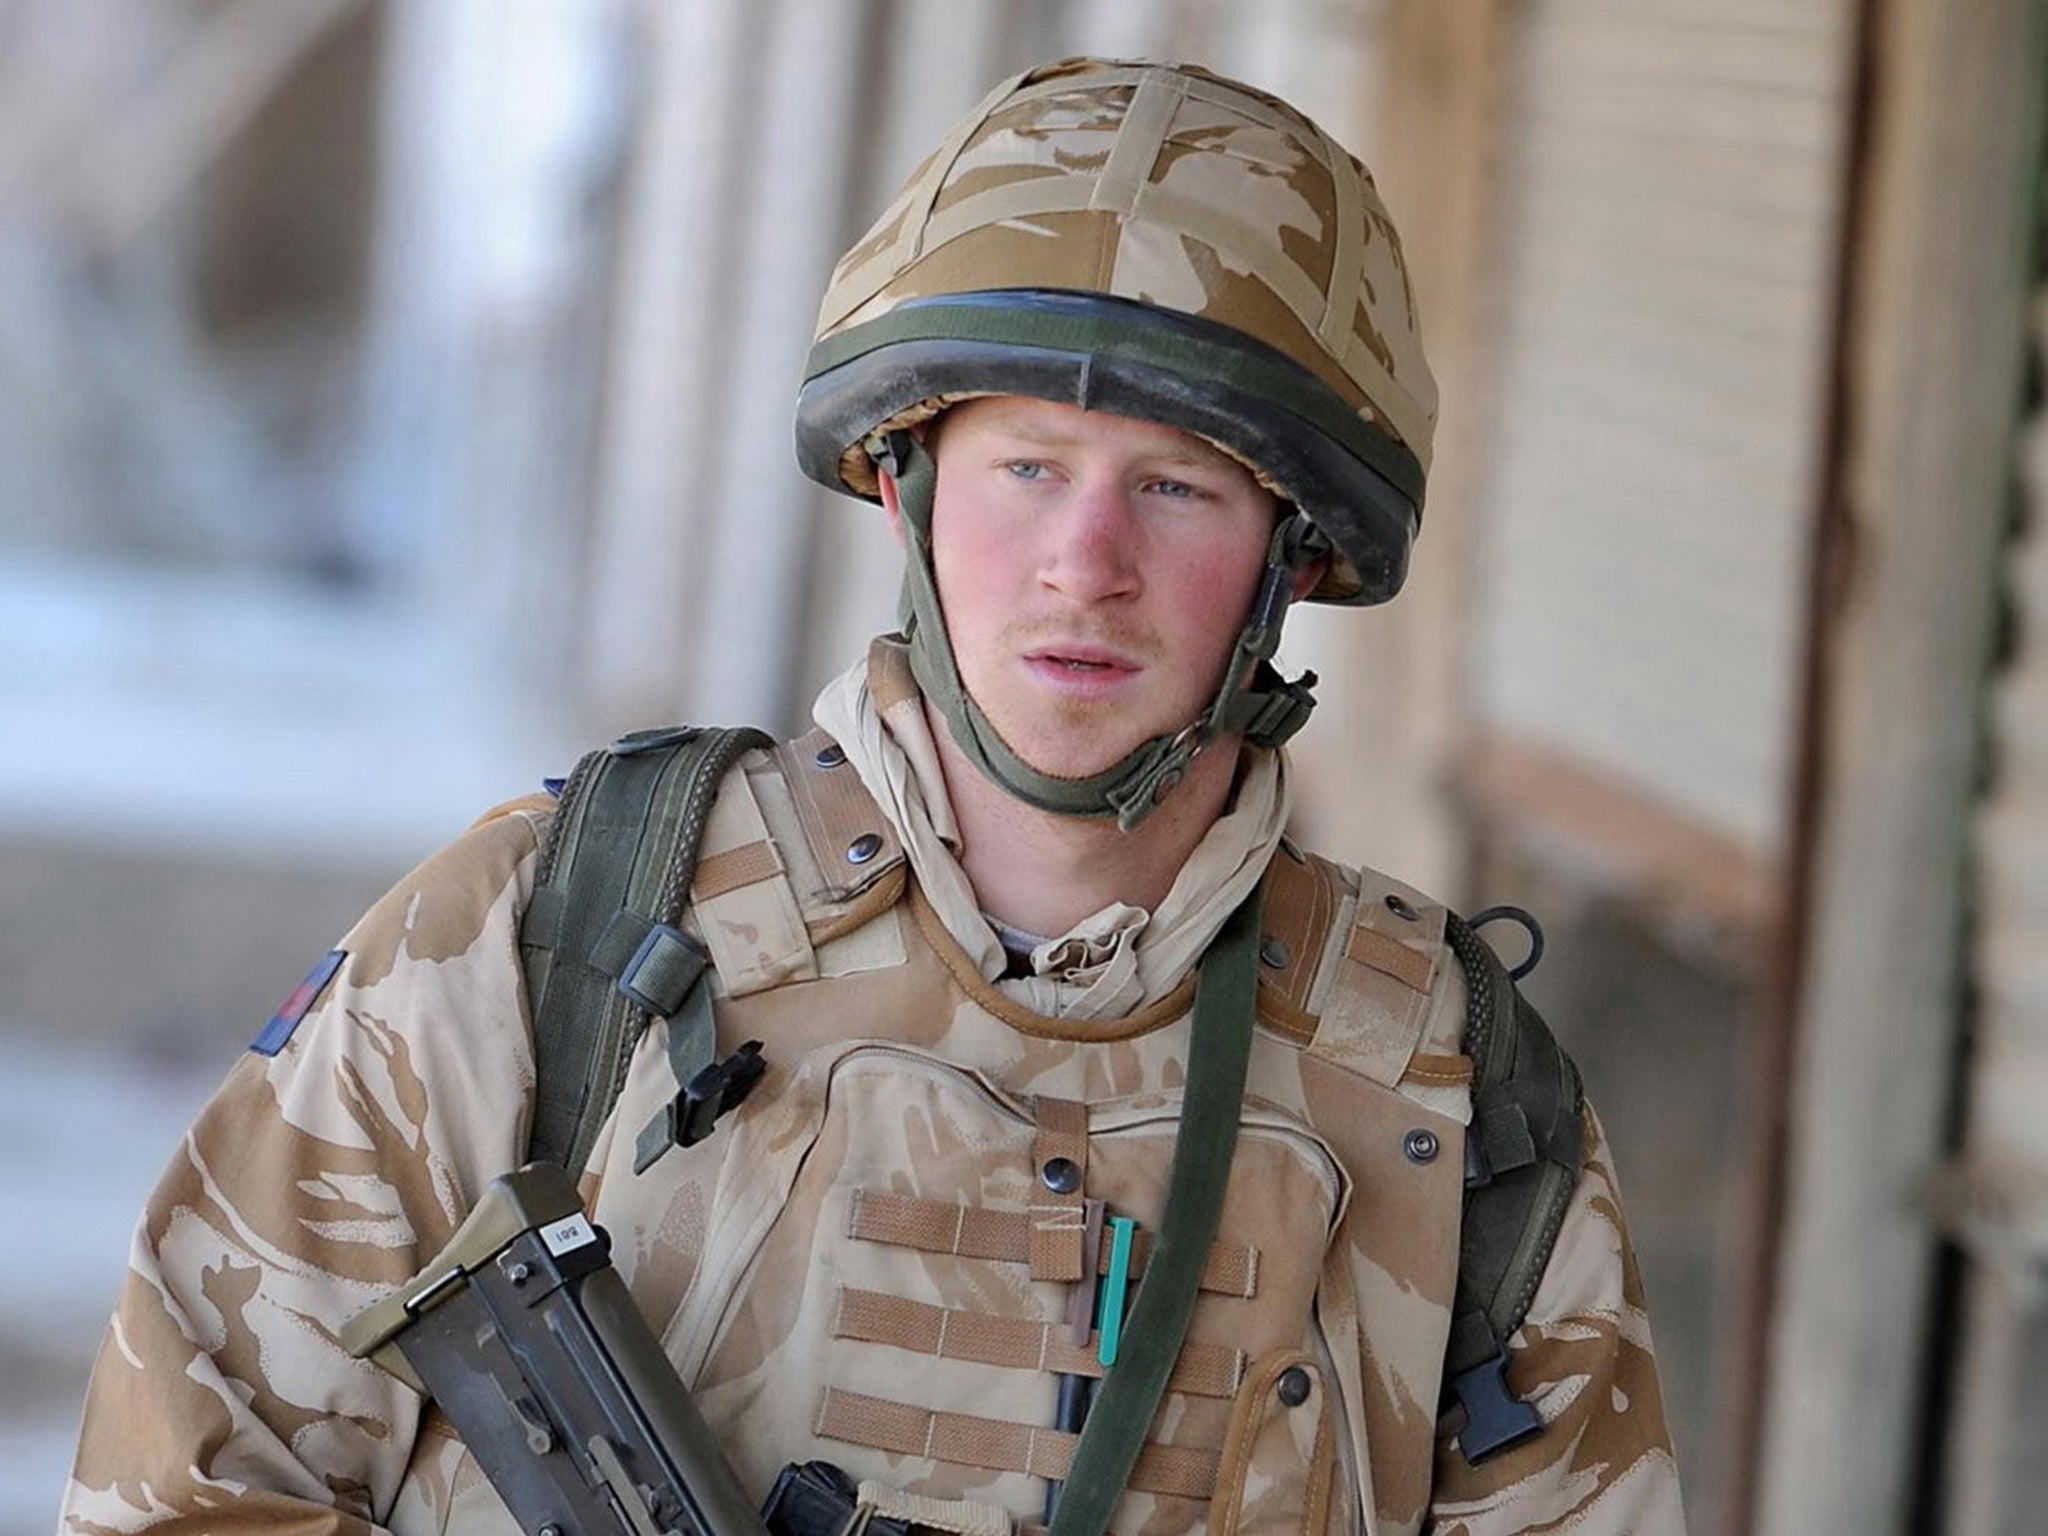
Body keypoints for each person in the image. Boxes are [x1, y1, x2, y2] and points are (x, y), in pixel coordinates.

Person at [60, 57, 1684, 1536]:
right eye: (1028, 468)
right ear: (905, 486)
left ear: (1294, 558)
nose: (1085, 568)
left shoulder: (1446, 1090)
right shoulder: (559, 930)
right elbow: (183, 1478)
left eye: (1177, 490)